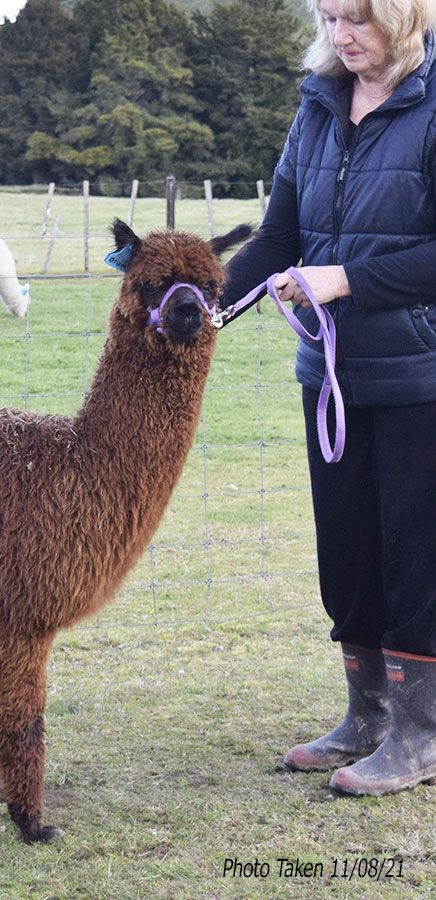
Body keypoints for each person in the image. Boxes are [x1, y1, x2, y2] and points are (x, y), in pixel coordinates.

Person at [222, 0, 436, 796]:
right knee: (347, 555)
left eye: (360, 19)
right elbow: (280, 236)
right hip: (333, 375)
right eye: (330, 16)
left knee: (417, 558)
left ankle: (421, 734)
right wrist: (205, 304)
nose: (343, 35)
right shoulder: (317, 104)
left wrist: (348, 278)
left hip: (422, 377)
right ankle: (368, 715)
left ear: (405, 16)